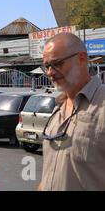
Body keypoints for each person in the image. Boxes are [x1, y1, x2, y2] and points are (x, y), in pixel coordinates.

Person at [39, 32, 105, 191]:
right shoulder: (58, 107)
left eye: (57, 63)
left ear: (82, 59)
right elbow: (50, 172)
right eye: (47, 66)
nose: (50, 72)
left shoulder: (101, 105)